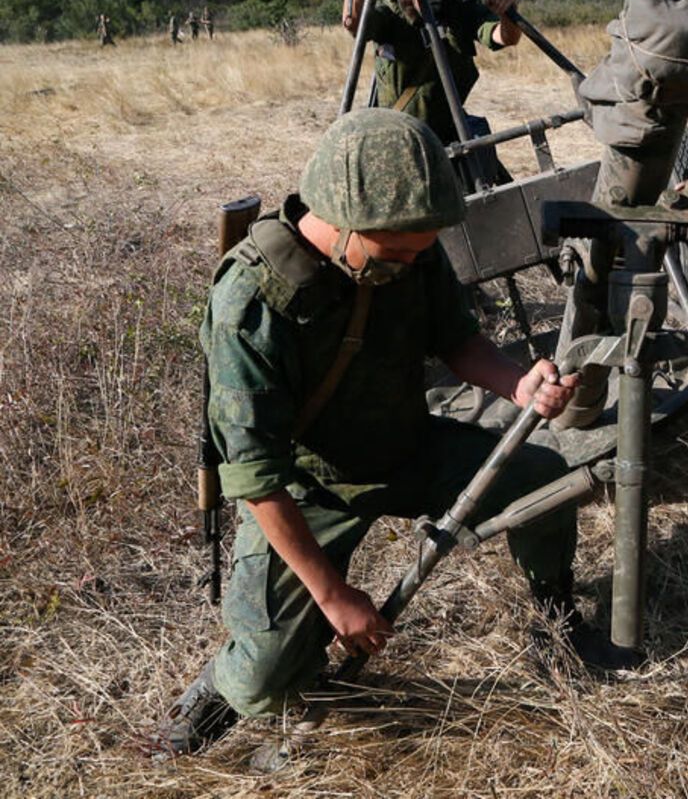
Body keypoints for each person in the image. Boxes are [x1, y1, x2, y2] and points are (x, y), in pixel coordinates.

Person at [150, 109, 621, 759]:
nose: (410, 263)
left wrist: (518, 385)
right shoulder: (252, 303)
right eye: (395, 252)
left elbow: (456, 339)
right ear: (341, 220)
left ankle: (557, 621)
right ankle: (214, 692)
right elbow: (257, 479)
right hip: (310, 485)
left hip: (406, 447)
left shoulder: (408, 245)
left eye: (418, 251)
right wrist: (333, 594)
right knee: (265, 676)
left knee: (545, 477)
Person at [343, 0, 522, 149]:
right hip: (397, 139)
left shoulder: (461, 12)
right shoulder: (393, 16)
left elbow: (506, 37)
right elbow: (353, 21)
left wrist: (507, 13)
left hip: (449, 135)